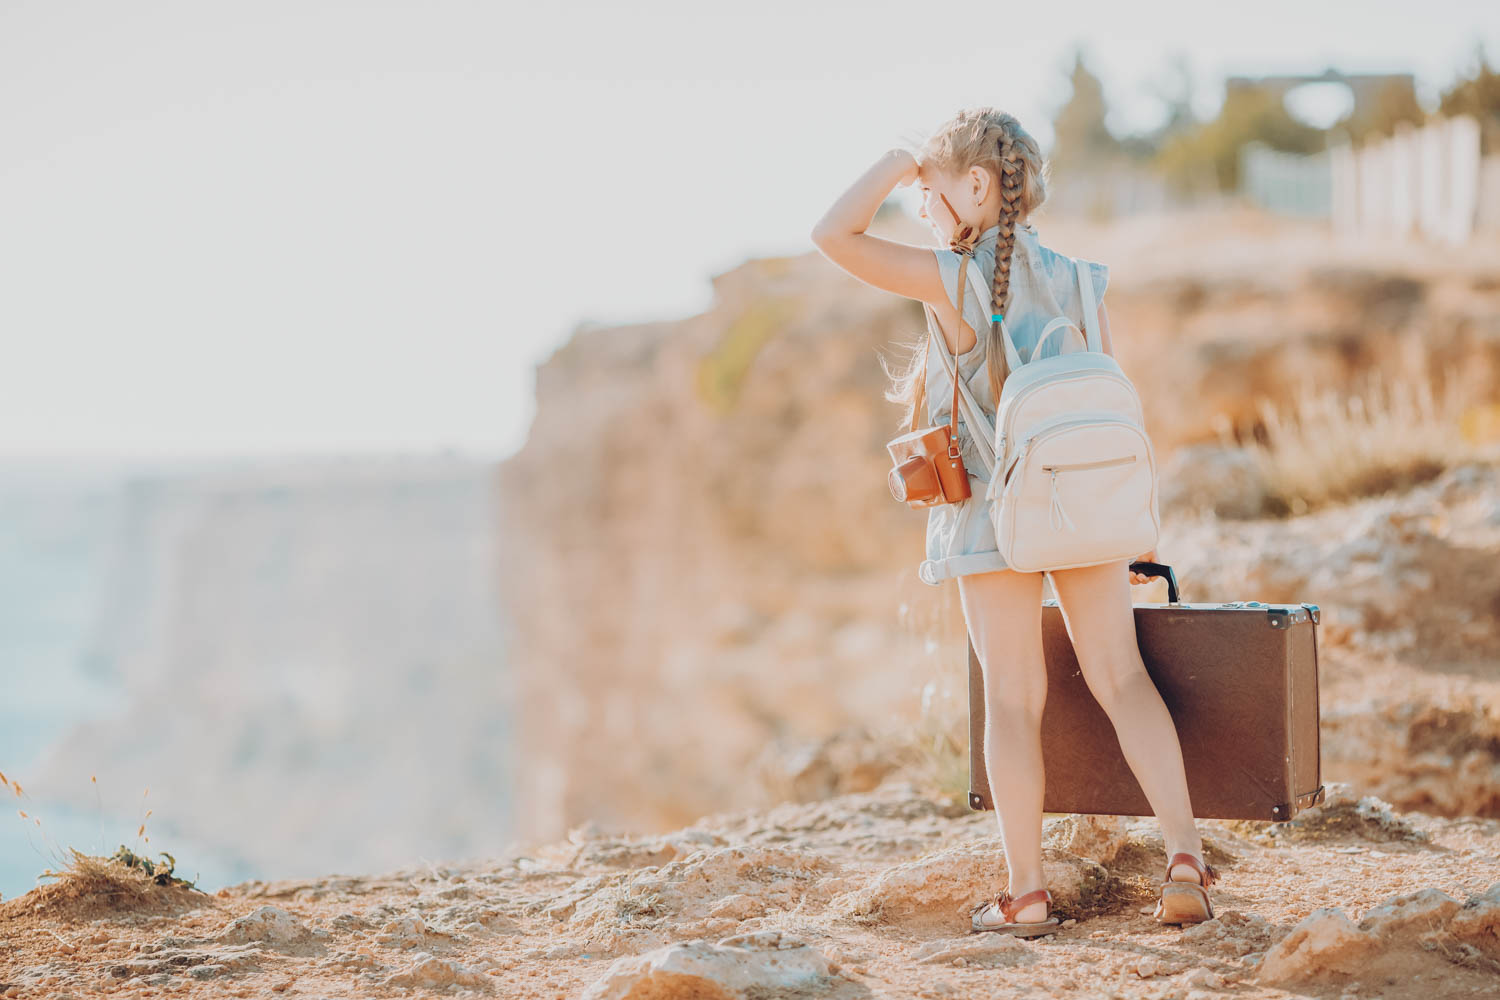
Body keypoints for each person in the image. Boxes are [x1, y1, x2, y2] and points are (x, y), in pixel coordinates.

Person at [810, 107, 1217, 935]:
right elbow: (1098, 405)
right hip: (1080, 508)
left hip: (990, 521)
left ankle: (1026, 894)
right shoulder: (1080, 279)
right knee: (1123, 677)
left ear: (976, 186)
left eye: (932, 190)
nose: (924, 207)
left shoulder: (951, 279)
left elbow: (833, 236)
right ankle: (1185, 860)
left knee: (1012, 700)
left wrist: (894, 161)